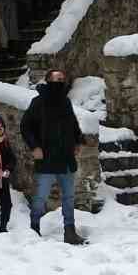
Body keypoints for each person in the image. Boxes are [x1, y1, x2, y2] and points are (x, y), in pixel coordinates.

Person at [21, 69, 87, 244]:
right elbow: (25, 126)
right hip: (47, 158)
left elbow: (73, 123)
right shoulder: (38, 102)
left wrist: (78, 140)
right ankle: (34, 228)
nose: (61, 81)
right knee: (41, 196)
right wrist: (34, 147)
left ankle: (70, 231)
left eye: (63, 78)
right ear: (49, 80)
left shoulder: (65, 102)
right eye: (57, 78)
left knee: (69, 197)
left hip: (65, 157)